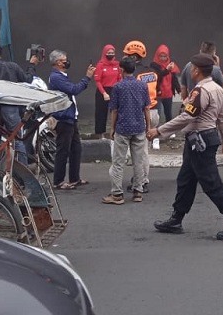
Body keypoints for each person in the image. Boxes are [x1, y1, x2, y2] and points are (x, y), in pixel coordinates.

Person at [147, 54, 223, 241]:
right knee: (185, 180)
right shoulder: (217, 88)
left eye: (192, 67)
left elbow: (187, 117)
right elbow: (222, 117)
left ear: (197, 70)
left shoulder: (200, 91)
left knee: (211, 184)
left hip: (200, 141)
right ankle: (176, 219)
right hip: (199, 140)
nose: (190, 70)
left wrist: (159, 131)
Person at [103, 56, 152, 205]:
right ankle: (138, 191)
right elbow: (146, 108)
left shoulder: (118, 87)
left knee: (118, 162)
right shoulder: (142, 86)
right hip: (139, 128)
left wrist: (112, 128)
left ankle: (117, 194)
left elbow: (114, 110)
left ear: (121, 70)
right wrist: (148, 126)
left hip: (123, 128)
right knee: (138, 161)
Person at [47, 49, 95, 190]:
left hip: (70, 117)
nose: (67, 62)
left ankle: (75, 178)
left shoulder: (60, 75)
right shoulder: (56, 77)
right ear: (57, 62)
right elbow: (74, 89)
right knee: (63, 150)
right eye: (64, 60)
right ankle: (58, 181)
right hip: (63, 118)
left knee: (76, 149)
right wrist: (87, 78)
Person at [125, 40, 158, 193]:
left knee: (141, 150)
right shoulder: (151, 72)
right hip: (154, 111)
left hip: (142, 113)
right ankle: (139, 177)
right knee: (144, 148)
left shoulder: (134, 74)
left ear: (133, 56)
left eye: (127, 55)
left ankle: (142, 180)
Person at [93, 45, 121, 138]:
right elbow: (97, 80)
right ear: (105, 53)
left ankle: (116, 133)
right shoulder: (100, 65)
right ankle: (101, 135)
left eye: (112, 53)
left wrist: (118, 90)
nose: (111, 55)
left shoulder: (117, 64)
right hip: (103, 91)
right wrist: (104, 93)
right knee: (101, 113)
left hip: (115, 90)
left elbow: (119, 78)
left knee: (116, 112)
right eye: (109, 53)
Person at [151, 44, 181, 123]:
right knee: (157, 114)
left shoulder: (170, 64)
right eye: (161, 56)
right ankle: (154, 131)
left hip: (168, 92)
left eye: (165, 56)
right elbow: (157, 76)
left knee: (168, 113)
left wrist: (179, 90)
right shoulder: (153, 65)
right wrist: (167, 70)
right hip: (158, 93)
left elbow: (174, 78)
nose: (163, 58)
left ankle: (169, 131)